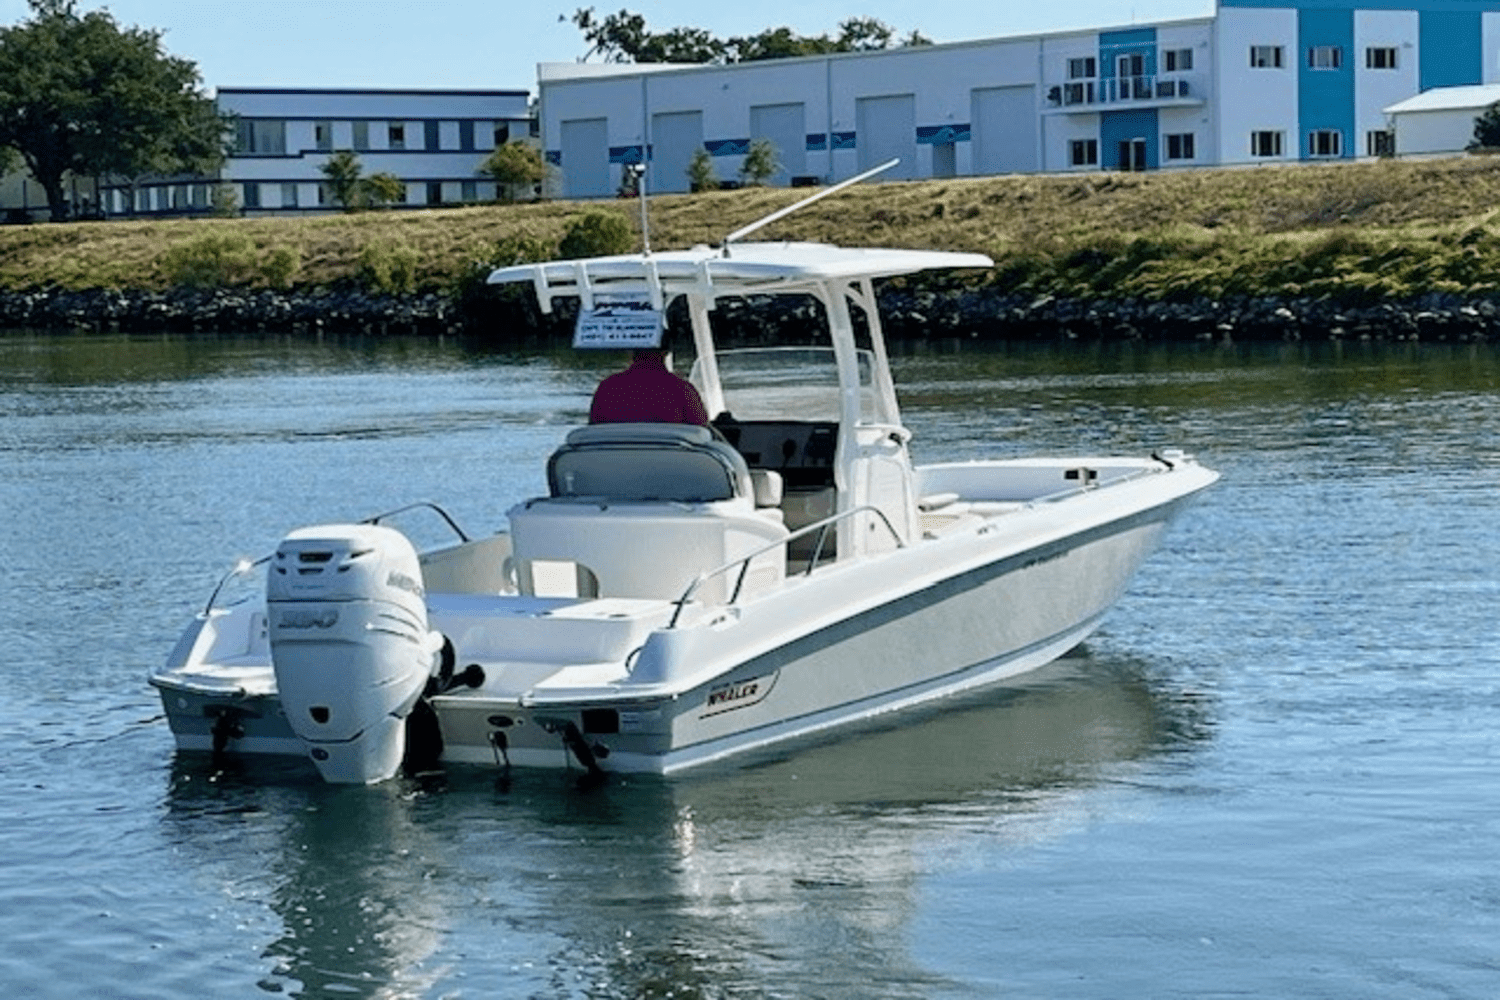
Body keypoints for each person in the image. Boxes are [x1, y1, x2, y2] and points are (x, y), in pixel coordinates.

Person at [588, 348, 710, 426]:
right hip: (668, 462)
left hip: (613, 462)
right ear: (666, 352)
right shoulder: (682, 389)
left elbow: (594, 427)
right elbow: (701, 428)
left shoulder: (608, 387)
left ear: (632, 351)